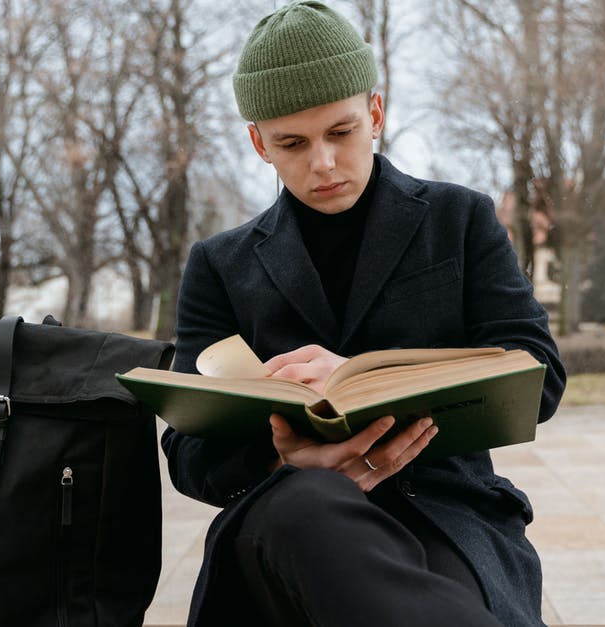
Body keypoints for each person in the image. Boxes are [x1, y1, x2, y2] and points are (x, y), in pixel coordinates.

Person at [159, 2, 566, 625]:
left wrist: (365, 380)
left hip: (444, 512)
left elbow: (537, 374)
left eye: (341, 132)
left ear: (374, 113)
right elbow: (188, 453)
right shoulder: (219, 264)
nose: (321, 163)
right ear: (257, 142)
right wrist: (282, 459)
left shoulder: (459, 220)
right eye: (292, 143)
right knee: (308, 501)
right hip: (285, 520)